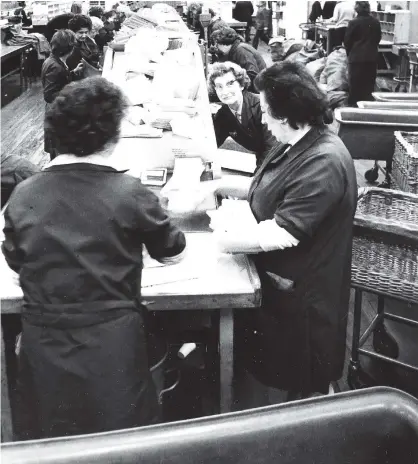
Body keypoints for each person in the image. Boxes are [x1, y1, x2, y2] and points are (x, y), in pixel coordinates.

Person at [2, 77, 187, 440]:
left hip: (46, 350)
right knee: (117, 440)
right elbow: (174, 253)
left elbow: (13, 264)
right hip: (112, 349)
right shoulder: (130, 192)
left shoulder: (23, 195)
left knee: (54, 439)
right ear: (112, 135)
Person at [164, 61, 357, 403]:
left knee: (302, 373)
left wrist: (220, 240)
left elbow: (283, 233)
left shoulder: (323, 162)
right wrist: (220, 185)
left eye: (266, 111)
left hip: (303, 289)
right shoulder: (296, 141)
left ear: (285, 115)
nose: (262, 118)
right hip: (280, 277)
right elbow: (265, 186)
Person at [208, 61, 276, 169]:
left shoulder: (262, 106)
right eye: (219, 86)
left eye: (230, 84)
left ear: (241, 85)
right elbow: (210, 145)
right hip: (264, 158)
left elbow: (273, 149)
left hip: (285, 158)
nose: (225, 92)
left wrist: (257, 178)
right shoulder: (223, 115)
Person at [41, 29, 84, 159]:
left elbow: (58, 81)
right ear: (71, 48)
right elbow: (49, 94)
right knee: (57, 147)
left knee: (57, 144)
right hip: (56, 111)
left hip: (55, 109)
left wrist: (73, 72)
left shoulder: (53, 60)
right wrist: (73, 91)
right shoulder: (56, 66)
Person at [344, 1, 381, 105]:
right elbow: (378, 38)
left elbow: (347, 41)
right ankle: (367, 108)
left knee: (355, 86)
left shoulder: (353, 22)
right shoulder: (375, 22)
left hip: (356, 57)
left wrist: (349, 54)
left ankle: (353, 108)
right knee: (368, 86)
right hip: (371, 57)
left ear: (356, 9)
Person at [211, 27, 266, 93]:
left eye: (217, 45)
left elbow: (252, 75)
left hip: (258, 90)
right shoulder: (234, 50)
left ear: (223, 44)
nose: (216, 47)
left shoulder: (241, 50)